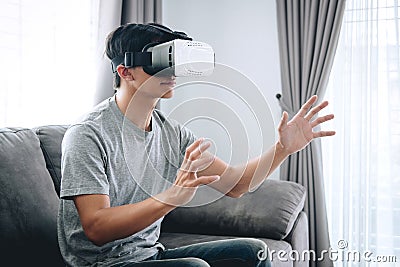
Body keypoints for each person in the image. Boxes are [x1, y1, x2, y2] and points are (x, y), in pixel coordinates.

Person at [57, 23, 335, 267]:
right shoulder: (88, 134)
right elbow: (96, 227)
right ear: (125, 72)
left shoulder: (172, 133)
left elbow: (235, 185)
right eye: (159, 61)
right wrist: (171, 197)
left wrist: (282, 148)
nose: (172, 71)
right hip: (101, 263)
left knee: (254, 252)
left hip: (149, 255)